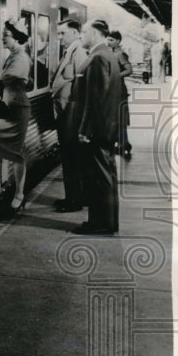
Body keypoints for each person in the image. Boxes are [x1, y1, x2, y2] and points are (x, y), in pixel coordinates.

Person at [68, 20, 122, 235]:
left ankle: (101, 224)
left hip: (97, 130)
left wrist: (85, 130)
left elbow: (95, 98)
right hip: (105, 127)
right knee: (105, 176)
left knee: (99, 178)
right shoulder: (106, 55)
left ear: (94, 33)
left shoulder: (98, 57)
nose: (81, 35)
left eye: (83, 32)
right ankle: (105, 222)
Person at [0, 21, 32, 211]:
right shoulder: (14, 56)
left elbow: (3, 82)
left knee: (16, 153)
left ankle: (19, 194)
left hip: (17, 111)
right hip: (9, 108)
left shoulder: (21, 58)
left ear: (16, 37)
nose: (2, 38)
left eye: (6, 34)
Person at [50, 19, 88, 211]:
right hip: (64, 113)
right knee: (68, 158)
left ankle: (75, 201)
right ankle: (71, 197)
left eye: (63, 33)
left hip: (71, 115)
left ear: (74, 33)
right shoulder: (70, 52)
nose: (60, 37)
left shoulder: (79, 52)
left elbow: (83, 86)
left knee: (72, 159)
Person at [106, 30, 132, 160]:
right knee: (116, 118)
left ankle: (123, 144)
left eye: (111, 40)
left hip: (119, 89)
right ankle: (122, 143)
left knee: (119, 118)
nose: (108, 42)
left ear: (118, 41)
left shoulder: (120, 54)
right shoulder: (111, 53)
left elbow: (129, 70)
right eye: (108, 39)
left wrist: (115, 76)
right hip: (113, 89)